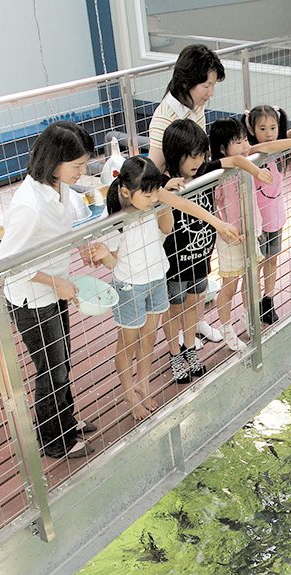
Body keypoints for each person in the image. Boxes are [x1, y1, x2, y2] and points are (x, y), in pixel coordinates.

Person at [90, 156, 238, 417]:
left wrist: (218, 224)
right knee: (127, 343)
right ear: (126, 191)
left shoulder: (152, 200)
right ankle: (129, 395)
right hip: (130, 287)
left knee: (148, 339)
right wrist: (103, 254)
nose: (152, 199)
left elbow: (179, 212)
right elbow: (112, 263)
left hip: (156, 279)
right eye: (147, 196)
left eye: (154, 195)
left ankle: (143, 386)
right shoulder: (113, 217)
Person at [0, 121, 97, 459]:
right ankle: (55, 440)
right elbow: (9, 263)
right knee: (51, 367)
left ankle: (65, 421)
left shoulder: (59, 186)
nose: (82, 172)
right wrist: (57, 283)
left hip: (54, 290)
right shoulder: (28, 204)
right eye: (78, 166)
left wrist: (82, 245)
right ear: (54, 161)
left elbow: (66, 225)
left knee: (62, 360)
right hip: (31, 298)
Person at [160, 119, 267, 383]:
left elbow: (234, 162)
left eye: (201, 155)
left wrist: (255, 170)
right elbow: (155, 197)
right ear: (176, 155)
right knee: (174, 308)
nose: (198, 161)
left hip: (201, 257)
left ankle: (189, 347)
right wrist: (164, 189)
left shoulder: (205, 170)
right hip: (175, 260)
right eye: (191, 156)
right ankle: (174, 354)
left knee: (194, 305)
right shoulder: (165, 182)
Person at [208, 115, 291, 348]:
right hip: (231, 238)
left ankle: (250, 318)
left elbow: (269, 145)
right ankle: (227, 329)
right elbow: (215, 208)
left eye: (244, 140)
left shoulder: (248, 157)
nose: (245, 145)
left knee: (251, 280)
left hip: (253, 231)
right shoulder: (218, 175)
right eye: (238, 142)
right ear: (222, 148)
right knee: (230, 285)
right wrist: (226, 230)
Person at [244, 105, 291, 325]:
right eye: (262, 128)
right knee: (256, 265)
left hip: (277, 218)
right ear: (251, 129)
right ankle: (250, 308)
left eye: (273, 127)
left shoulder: (279, 148)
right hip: (258, 222)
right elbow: (269, 146)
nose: (268, 132)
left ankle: (268, 300)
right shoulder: (251, 152)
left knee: (272, 260)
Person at [147, 44, 223, 172]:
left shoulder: (196, 104)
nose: (211, 93)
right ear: (186, 82)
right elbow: (155, 172)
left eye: (213, 86)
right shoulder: (164, 118)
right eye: (206, 86)